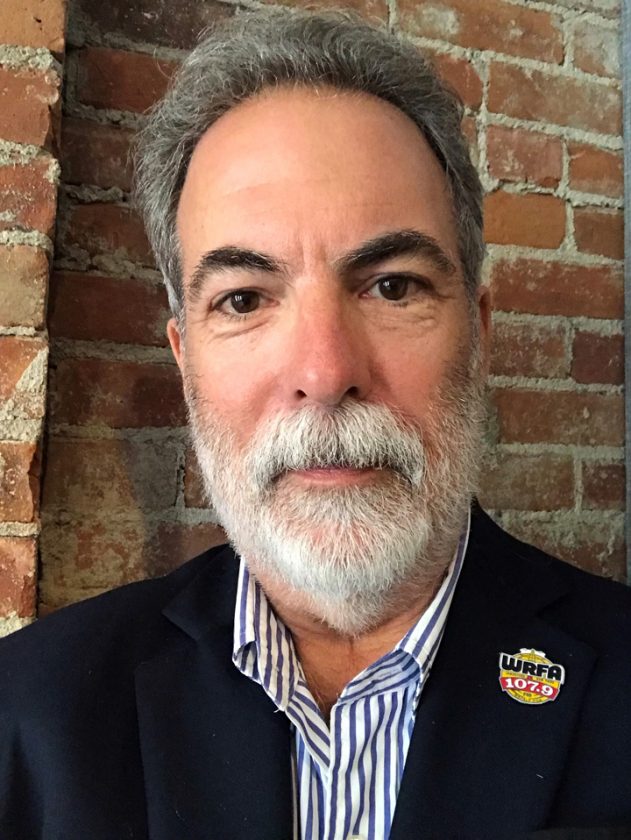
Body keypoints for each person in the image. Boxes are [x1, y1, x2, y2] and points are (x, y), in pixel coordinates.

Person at [1, 8, 630, 839]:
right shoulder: (28, 711)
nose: (325, 373)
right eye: (243, 300)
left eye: (392, 286)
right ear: (185, 359)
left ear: (478, 335)